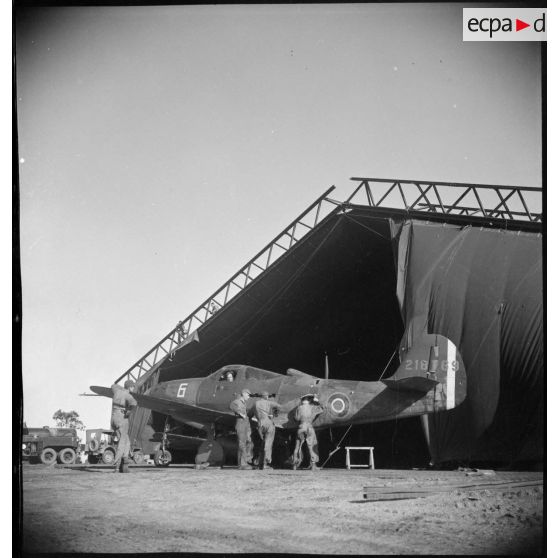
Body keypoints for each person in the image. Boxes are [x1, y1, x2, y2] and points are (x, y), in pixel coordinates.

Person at [110, 379, 137, 473]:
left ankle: (124, 464)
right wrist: (128, 412)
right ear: (130, 387)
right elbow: (134, 404)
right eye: (133, 386)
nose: (134, 388)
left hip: (114, 417)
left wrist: (124, 387)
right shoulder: (128, 395)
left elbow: (113, 385)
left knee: (127, 441)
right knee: (122, 442)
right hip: (122, 417)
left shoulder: (117, 391)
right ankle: (116, 466)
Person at [292, 395, 324, 471]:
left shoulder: (299, 408)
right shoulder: (312, 407)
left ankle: (294, 465)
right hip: (309, 427)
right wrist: (317, 401)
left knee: (297, 447)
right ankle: (313, 465)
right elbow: (322, 409)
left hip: (300, 427)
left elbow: (296, 418)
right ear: (310, 400)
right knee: (312, 446)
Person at [255, 391, 282, 469]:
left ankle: (260, 463)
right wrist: (274, 414)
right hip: (268, 423)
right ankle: (265, 463)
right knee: (268, 443)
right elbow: (280, 407)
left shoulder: (256, 403)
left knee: (262, 443)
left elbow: (250, 414)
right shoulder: (269, 403)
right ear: (266, 397)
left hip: (260, 424)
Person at [229, 389, 253, 470]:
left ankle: (246, 460)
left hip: (246, 423)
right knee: (242, 443)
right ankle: (242, 464)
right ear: (244, 394)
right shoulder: (237, 401)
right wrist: (240, 413)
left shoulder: (244, 403)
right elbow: (231, 405)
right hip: (240, 423)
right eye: (248, 395)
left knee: (249, 441)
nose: (249, 397)